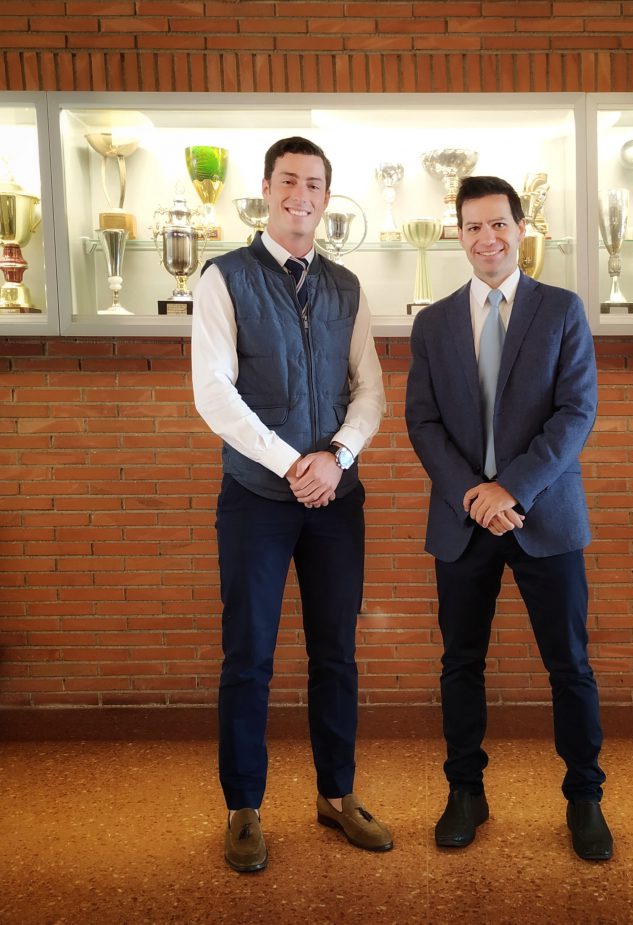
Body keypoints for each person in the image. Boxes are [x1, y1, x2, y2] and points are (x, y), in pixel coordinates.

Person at [191, 136, 392, 873]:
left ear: (326, 198)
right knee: (249, 655)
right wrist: (292, 463)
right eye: (287, 181)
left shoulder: (346, 286)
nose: (300, 194)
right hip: (256, 498)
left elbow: (370, 388)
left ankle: (337, 795)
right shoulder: (224, 277)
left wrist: (337, 456)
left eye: (313, 183)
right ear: (267, 190)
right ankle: (243, 807)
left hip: (337, 497)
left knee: (336, 653)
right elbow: (213, 392)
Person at [405, 175, 612, 861]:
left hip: (544, 517)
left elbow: (576, 412)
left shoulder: (561, 310)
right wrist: (475, 493)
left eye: (498, 224)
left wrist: (511, 490)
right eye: (473, 226)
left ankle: (585, 796)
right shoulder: (433, 323)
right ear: (459, 235)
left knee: (570, 664)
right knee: (460, 663)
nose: (486, 238)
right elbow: (423, 421)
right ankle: (466, 791)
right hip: (463, 520)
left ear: (521, 229)